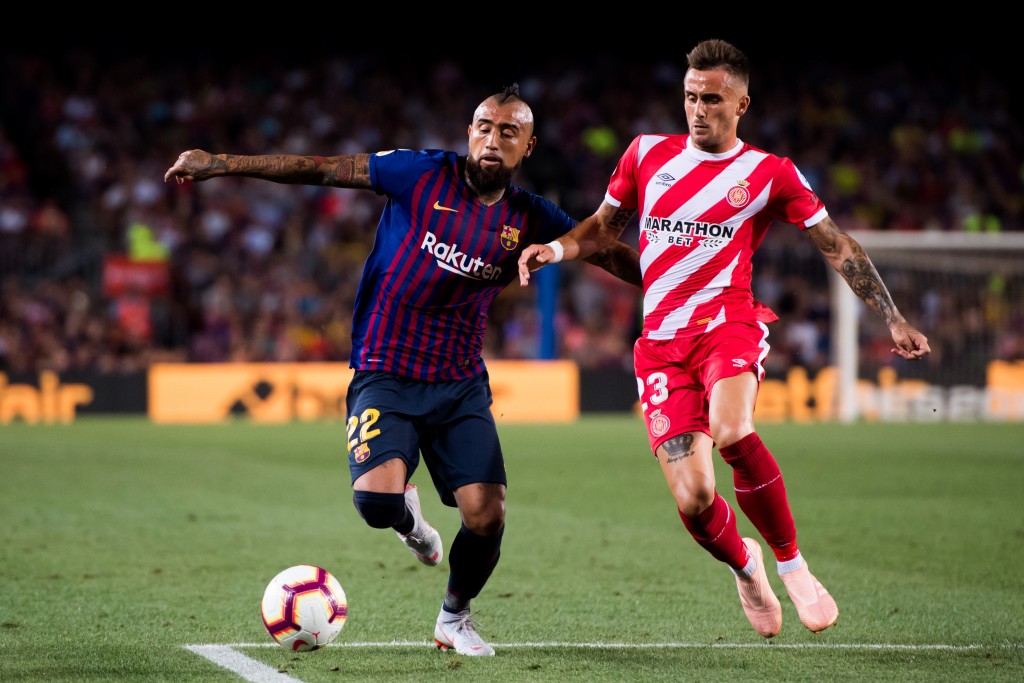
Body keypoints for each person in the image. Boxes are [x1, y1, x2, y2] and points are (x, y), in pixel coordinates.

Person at [164, 84, 642, 656]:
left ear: (528, 146)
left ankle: (454, 618)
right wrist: (221, 163)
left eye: (508, 132)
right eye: (484, 128)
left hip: (458, 382)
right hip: (384, 370)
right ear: (469, 133)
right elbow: (320, 169)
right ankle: (411, 523)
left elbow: (605, 250)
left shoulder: (530, 216)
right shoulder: (418, 173)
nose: (493, 140)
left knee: (487, 514)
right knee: (376, 505)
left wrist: (686, 277)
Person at [517, 39, 931, 639]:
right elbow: (603, 231)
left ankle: (792, 564)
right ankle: (747, 566)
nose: (698, 109)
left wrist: (892, 317)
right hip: (661, 345)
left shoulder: (769, 173)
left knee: (733, 428)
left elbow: (837, 244)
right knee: (694, 498)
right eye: (690, 97)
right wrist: (554, 250)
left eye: (712, 99)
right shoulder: (645, 154)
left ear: (741, 104)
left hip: (727, 326)